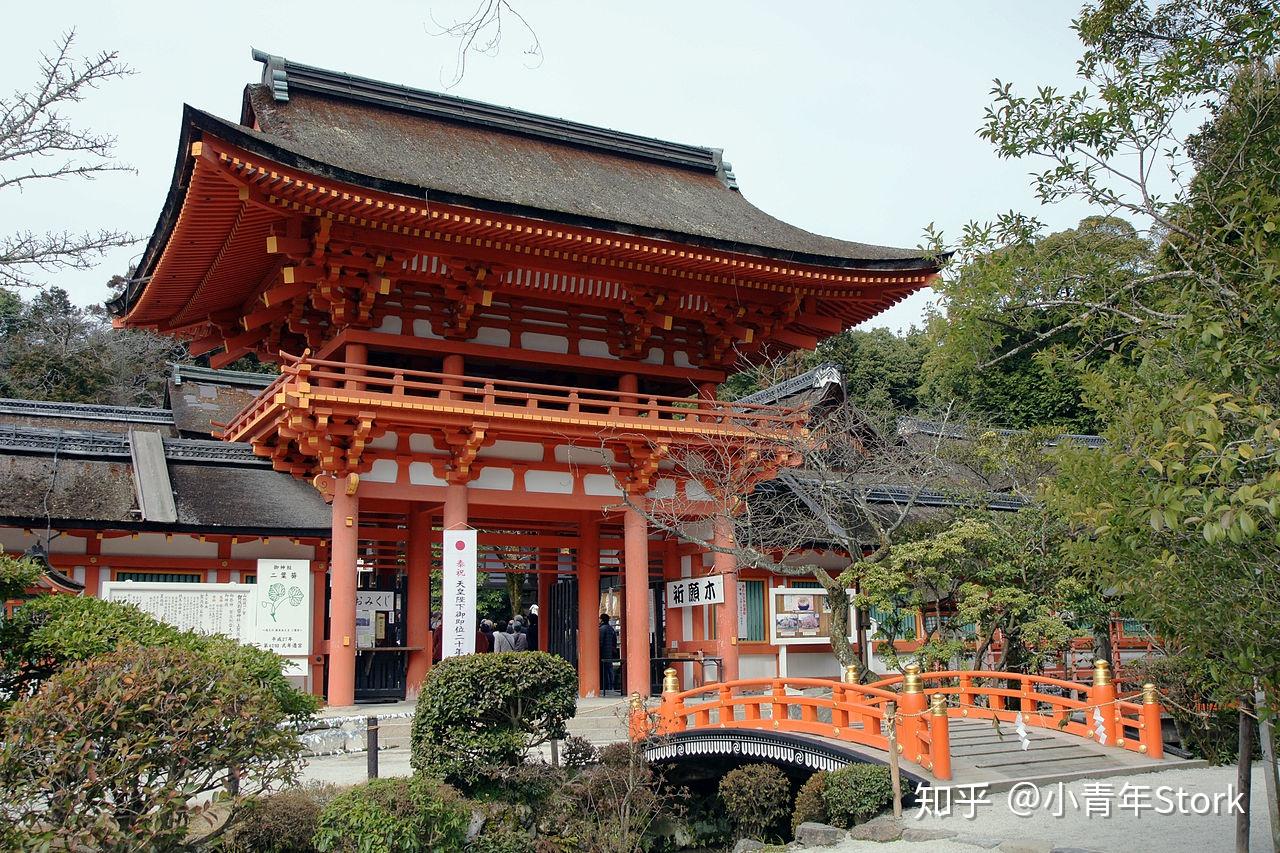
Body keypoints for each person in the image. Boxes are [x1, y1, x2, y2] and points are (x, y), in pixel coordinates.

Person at [598, 613, 618, 694]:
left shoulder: (602, 629)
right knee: (610, 669)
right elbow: (614, 641)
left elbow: (600, 642)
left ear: (602, 619)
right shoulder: (611, 629)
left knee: (604, 670)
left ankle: (606, 686)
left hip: (603, 652)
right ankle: (611, 686)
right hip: (610, 652)